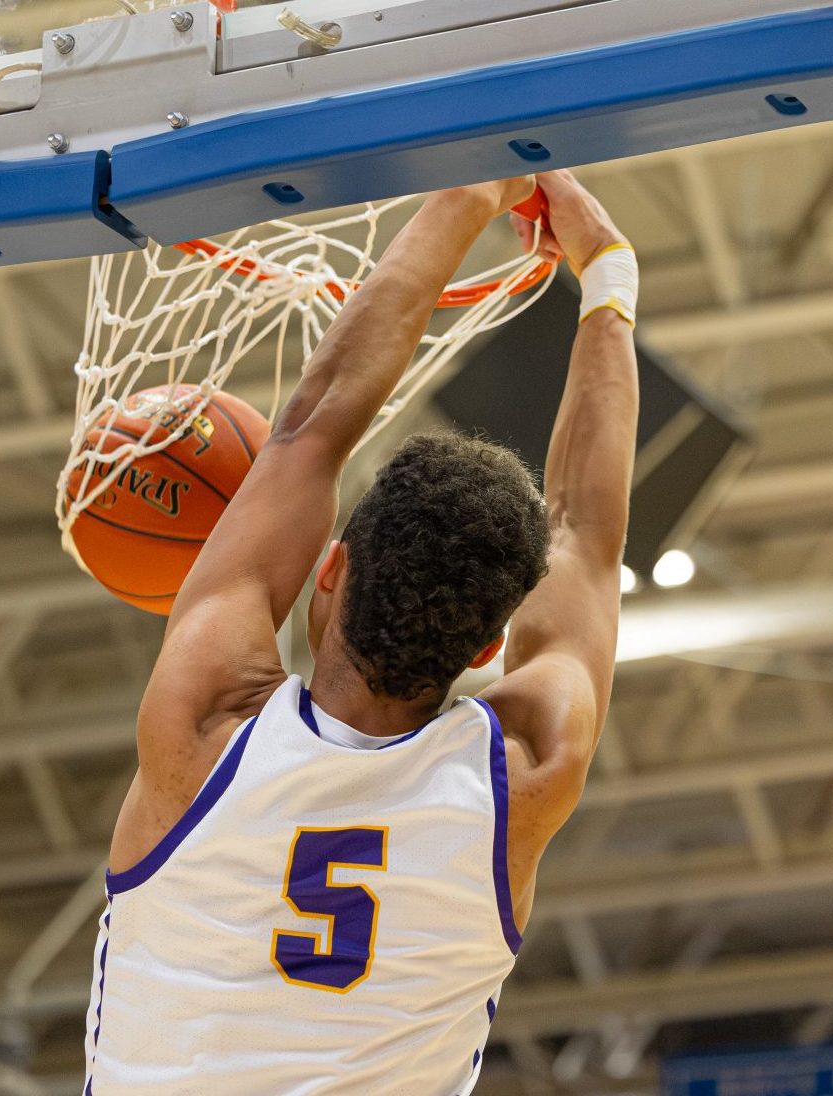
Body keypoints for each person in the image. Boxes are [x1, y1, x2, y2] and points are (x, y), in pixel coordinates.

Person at [84, 170, 641, 1094]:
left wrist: (473, 193)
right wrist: (607, 288)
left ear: (330, 571)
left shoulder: (205, 726)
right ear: (484, 651)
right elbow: (585, 538)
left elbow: (309, 427)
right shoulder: (523, 774)